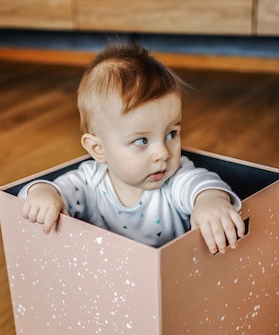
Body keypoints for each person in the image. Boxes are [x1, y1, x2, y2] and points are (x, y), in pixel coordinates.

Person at [20, 42, 245, 253]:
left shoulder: (174, 178)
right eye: (142, 141)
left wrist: (210, 200)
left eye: (171, 134)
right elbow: (55, 190)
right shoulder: (90, 182)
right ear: (99, 149)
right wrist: (43, 193)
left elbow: (201, 183)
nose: (163, 153)